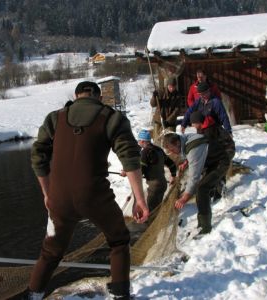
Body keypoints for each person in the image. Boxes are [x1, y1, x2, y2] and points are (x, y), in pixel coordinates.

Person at [28, 81, 149, 300]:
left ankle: (33, 295)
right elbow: (130, 158)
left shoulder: (55, 118)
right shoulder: (112, 118)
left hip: (59, 199)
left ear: (76, 96)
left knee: (51, 252)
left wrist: (48, 194)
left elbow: (38, 158)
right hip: (95, 197)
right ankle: (119, 294)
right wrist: (140, 200)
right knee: (118, 240)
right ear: (99, 97)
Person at [162, 131, 230, 234]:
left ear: (177, 143)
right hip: (211, 160)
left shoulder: (194, 150)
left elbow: (194, 177)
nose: (172, 153)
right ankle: (217, 186)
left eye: (172, 150)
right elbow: (192, 152)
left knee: (202, 189)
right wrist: (186, 161)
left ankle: (205, 227)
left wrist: (184, 198)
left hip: (220, 162)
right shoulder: (184, 138)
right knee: (204, 184)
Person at [136, 129, 177, 212]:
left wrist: (128, 173)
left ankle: (150, 224)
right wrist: (173, 175)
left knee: (151, 211)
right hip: (163, 184)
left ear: (143, 141)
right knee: (157, 208)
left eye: (139, 141)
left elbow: (140, 171)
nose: (138, 142)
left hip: (154, 187)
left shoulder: (144, 152)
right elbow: (171, 163)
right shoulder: (159, 150)